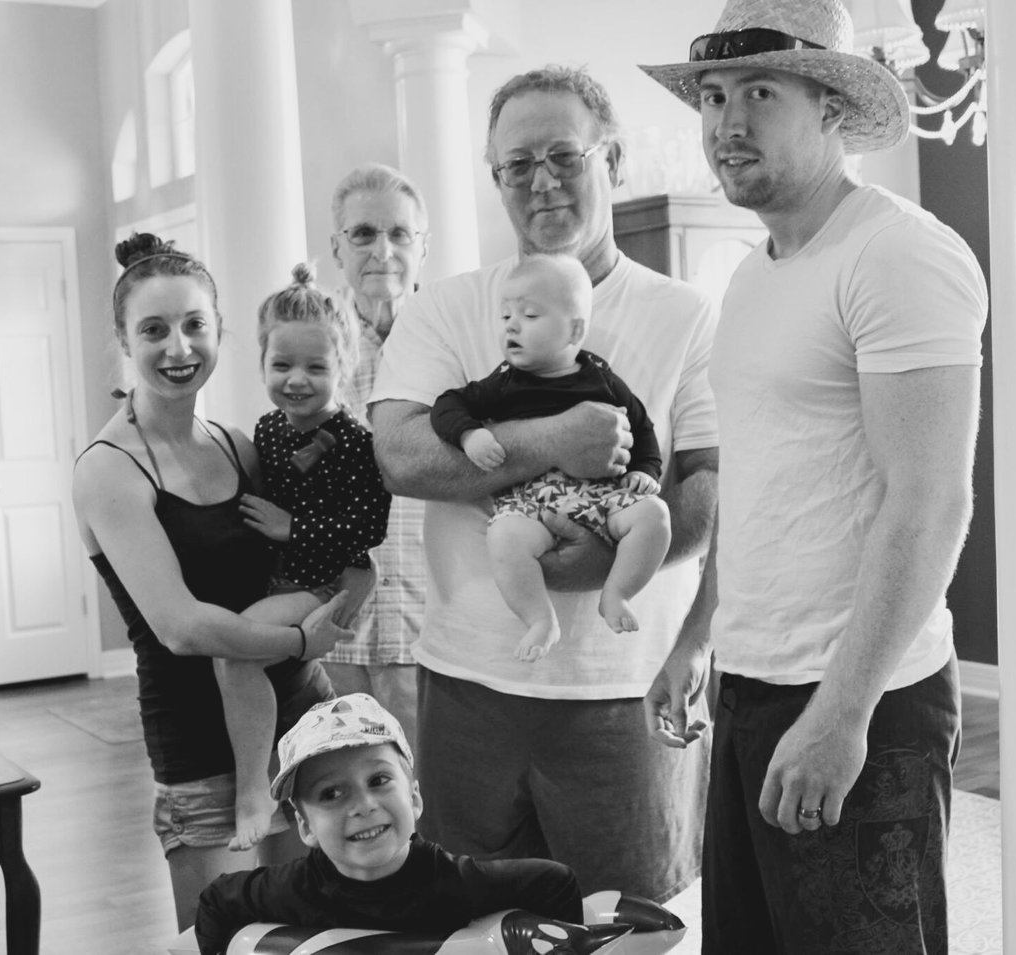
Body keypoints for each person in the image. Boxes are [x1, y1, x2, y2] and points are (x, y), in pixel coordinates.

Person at [640, 0, 989, 950]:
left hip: (859, 693)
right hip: (750, 683)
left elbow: (930, 504)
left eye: (759, 92)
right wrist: (698, 635)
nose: (726, 122)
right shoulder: (751, 274)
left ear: (832, 108)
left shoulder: (897, 252)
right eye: (712, 96)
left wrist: (840, 713)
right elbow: (758, 480)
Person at [370, 65, 719, 903]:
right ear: (494, 177)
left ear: (613, 160)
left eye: (564, 156)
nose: (541, 181)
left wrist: (605, 563)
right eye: (516, 164)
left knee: (629, 921)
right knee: (472, 921)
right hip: (468, 682)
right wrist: (556, 439)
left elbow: (708, 482)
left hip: (622, 686)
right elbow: (402, 455)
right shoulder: (444, 310)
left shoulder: (686, 314)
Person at [72, 233, 352, 932]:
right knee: (224, 941)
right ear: (123, 339)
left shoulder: (240, 446)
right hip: (197, 743)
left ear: (219, 330)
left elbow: (311, 557)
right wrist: (299, 639)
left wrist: (344, 596)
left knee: (317, 936)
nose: (179, 348)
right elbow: (182, 627)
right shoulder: (108, 469)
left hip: (304, 721)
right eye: (154, 330)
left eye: (194, 324)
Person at [194, 693, 583, 955]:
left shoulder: (457, 883)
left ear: (413, 798)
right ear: (306, 826)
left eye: (378, 780)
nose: (363, 805)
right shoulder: (291, 890)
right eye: (331, 793)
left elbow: (555, 882)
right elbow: (216, 901)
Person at [221, 263, 392, 850]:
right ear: (262, 363)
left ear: (343, 366)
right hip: (277, 577)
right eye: (282, 365)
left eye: (316, 367)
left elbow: (368, 528)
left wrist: (292, 527)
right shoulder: (268, 429)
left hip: (319, 582)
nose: (297, 380)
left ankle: (253, 791)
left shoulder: (356, 442)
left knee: (235, 650)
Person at [430, 253, 671, 658]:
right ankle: (540, 618)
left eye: (529, 315)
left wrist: (646, 470)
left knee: (655, 516)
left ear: (574, 329)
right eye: (505, 315)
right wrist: (469, 434)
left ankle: (617, 593)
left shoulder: (602, 378)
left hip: (604, 496)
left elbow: (641, 427)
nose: (511, 325)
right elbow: (448, 404)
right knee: (503, 539)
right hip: (532, 505)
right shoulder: (504, 383)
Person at [321, 163, 432, 752]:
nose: (382, 251)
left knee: (430, 788)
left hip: (432, 619)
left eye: (399, 234)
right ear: (336, 247)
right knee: (345, 777)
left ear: (422, 247)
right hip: (337, 622)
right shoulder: (313, 345)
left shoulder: (451, 343)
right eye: (363, 233)